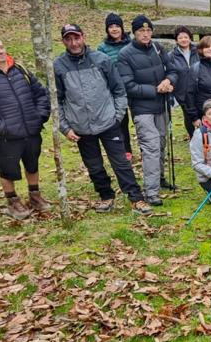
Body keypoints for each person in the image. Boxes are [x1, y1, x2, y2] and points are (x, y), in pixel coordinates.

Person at [53, 24, 153, 216]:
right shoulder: (58, 66)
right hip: (81, 127)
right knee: (94, 165)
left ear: (83, 36)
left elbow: (119, 90)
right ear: (64, 41)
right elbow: (56, 100)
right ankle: (106, 196)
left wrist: (117, 116)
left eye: (76, 37)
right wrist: (65, 128)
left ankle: (136, 198)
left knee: (121, 162)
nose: (73, 43)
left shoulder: (102, 59)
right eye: (68, 39)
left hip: (108, 122)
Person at [0, 35, 51, 220]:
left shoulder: (20, 70)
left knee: (32, 163)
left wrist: (40, 117)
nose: (0, 51)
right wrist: (2, 128)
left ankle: (35, 196)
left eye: (1, 47)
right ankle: (13, 201)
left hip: (31, 130)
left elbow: (41, 95)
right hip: (5, 136)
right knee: (8, 169)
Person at [116, 14, 179, 206]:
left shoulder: (157, 48)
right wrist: (155, 89)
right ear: (134, 33)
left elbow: (173, 69)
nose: (145, 34)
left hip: (161, 106)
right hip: (142, 109)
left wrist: (169, 81)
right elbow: (128, 85)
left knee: (160, 144)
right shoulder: (125, 55)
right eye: (141, 31)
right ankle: (151, 192)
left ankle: (158, 179)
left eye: (148, 30)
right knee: (150, 147)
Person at [97, 13, 133, 160]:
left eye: (117, 26)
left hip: (133, 85)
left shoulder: (131, 43)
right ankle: (126, 151)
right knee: (122, 120)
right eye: (111, 27)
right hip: (117, 89)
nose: (114, 29)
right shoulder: (103, 48)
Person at [167, 25, 199, 139]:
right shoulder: (171, 56)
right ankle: (192, 137)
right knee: (188, 115)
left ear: (190, 38)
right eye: (180, 38)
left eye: (186, 37)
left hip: (199, 88)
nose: (184, 40)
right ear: (176, 40)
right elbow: (169, 72)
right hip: (182, 90)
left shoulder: (198, 51)